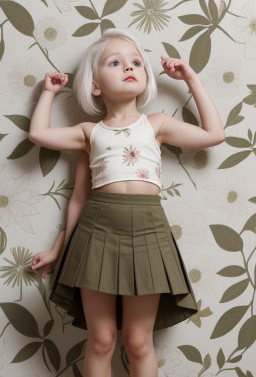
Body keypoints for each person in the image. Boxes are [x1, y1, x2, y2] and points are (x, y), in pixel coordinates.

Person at [29, 28, 225, 377]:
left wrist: (190, 78)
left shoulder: (157, 125)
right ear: (95, 85)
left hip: (149, 232)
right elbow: (68, 183)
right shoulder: (90, 132)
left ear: (146, 77)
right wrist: (48, 92)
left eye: (136, 62)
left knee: (138, 342)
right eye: (115, 62)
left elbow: (214, 134)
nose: (128, 67)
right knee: (101, 340)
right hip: (96, 232)